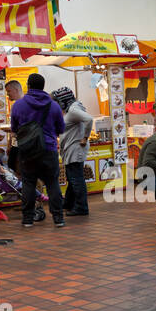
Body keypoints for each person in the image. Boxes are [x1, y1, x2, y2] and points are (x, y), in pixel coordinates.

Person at [10, 72, 66, 228]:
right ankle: (58, 218)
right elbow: (61, 128)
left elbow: (14, 128)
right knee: (52, 183)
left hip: (27, 151)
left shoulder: (18, 105)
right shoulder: (53, 105)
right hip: (48, 149)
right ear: (43, 86)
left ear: (28, 86)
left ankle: (28, 219)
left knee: (28, 183)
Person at [53, 86, 94, 216]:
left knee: (76, 179)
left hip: (75, 148)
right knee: (73, 178)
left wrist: (85, 137)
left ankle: (82, 207)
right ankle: (69, 204)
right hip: (72, 148)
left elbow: (89, 119)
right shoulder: (72, 108)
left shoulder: (74, 109)